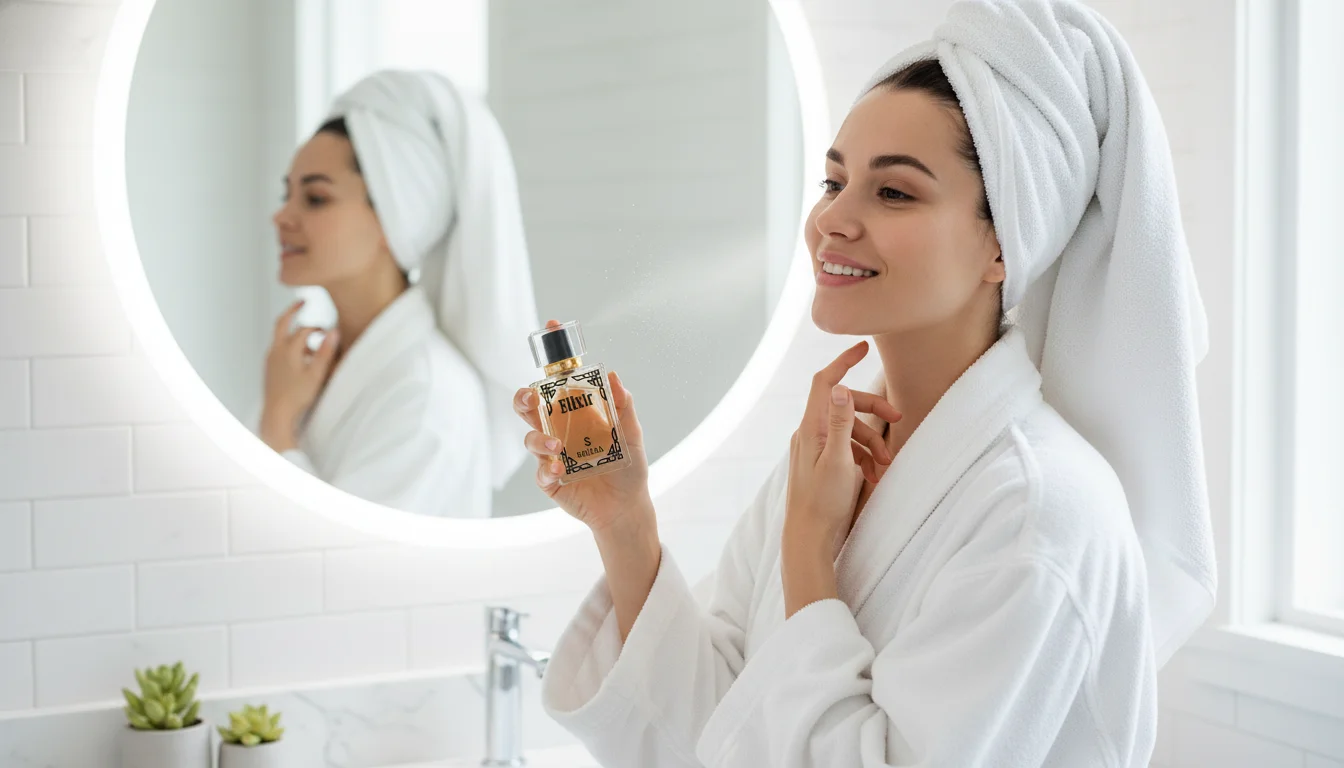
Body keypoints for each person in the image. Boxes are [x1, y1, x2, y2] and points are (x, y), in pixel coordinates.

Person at [515, 0, 1215, 764]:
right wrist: (625, 521)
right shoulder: (828, 459)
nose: (831, 221)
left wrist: (809, 559)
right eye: (833, 181)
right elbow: (716, 731)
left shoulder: (1039, 515)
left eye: (894, 192)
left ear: (1002, 244)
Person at [262, 70, 539, 517]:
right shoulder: (309, 368)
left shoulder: (429, 397)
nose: (281, 217)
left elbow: (334, 551)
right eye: (287, 194)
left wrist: (277, 421)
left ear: (393, 216)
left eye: (314, 198)